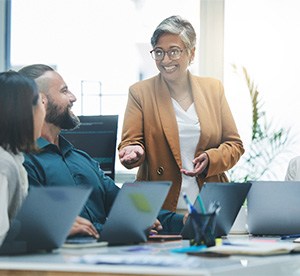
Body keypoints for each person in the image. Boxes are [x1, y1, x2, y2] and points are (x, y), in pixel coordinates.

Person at [19, 64, 171, 236]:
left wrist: (185, 221)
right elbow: (41, 226)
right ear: (41, 101)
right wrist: (125, 225)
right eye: (64, 91)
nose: (73, 97)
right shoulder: (24, 163)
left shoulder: (82, 159)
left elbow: (129, 206)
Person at [118, 15, 245, 216]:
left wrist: (210, 159)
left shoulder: (213, 89)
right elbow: (130, 143)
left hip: (209, 206)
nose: (165, 60)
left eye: (174, 52)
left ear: (191, 54)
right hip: (160, 209)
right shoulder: (140, 92)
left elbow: (235, 145)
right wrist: (134, 152)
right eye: (159, 52)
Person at [0, 71, 45, 245]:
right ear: (26, 111)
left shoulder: (13, 158)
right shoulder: (3, 164)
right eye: (41, 103)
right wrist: (40, 230)